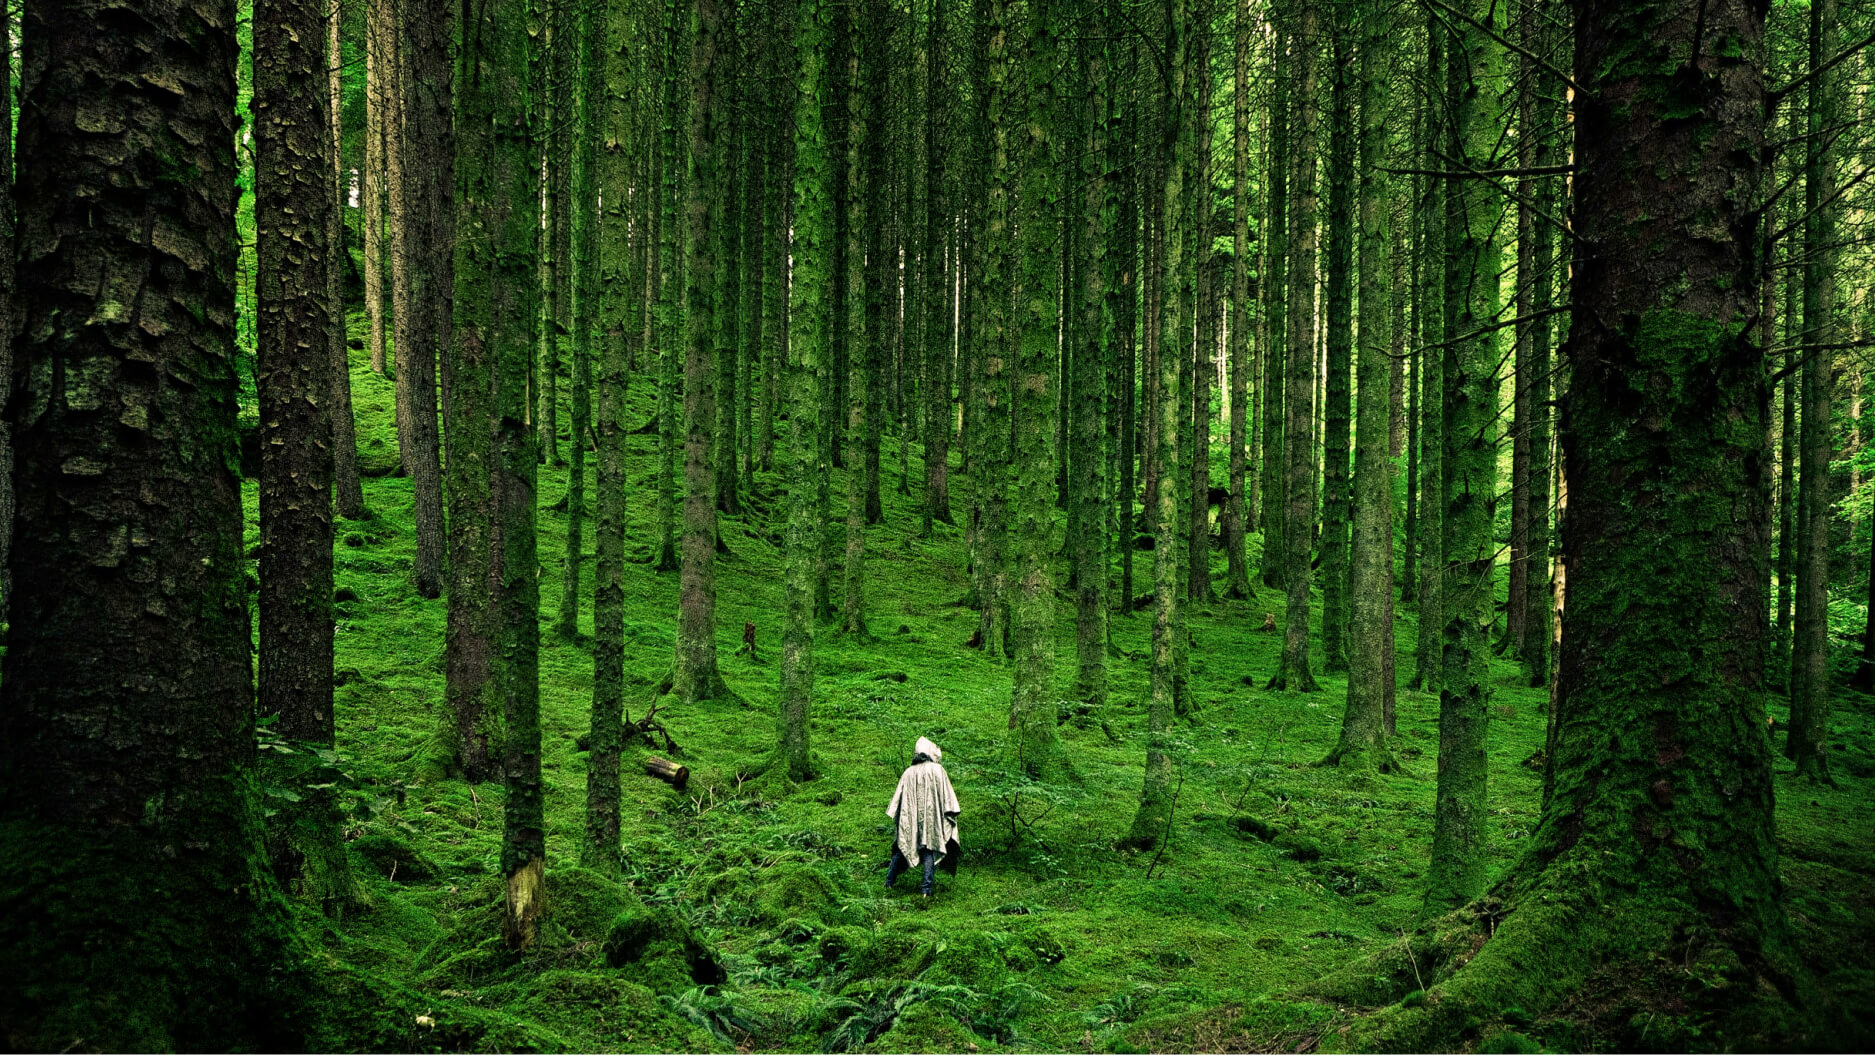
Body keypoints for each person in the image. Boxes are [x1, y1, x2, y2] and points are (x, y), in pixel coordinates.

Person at [885, 737, 960, 897]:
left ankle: (888, 883)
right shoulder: (938, 770)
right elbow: (948, 797)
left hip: (910, 818)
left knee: (902, 846)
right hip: (932, 819)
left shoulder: (908, 772)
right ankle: (926, 890)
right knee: (929, 848)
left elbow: (897, 800)